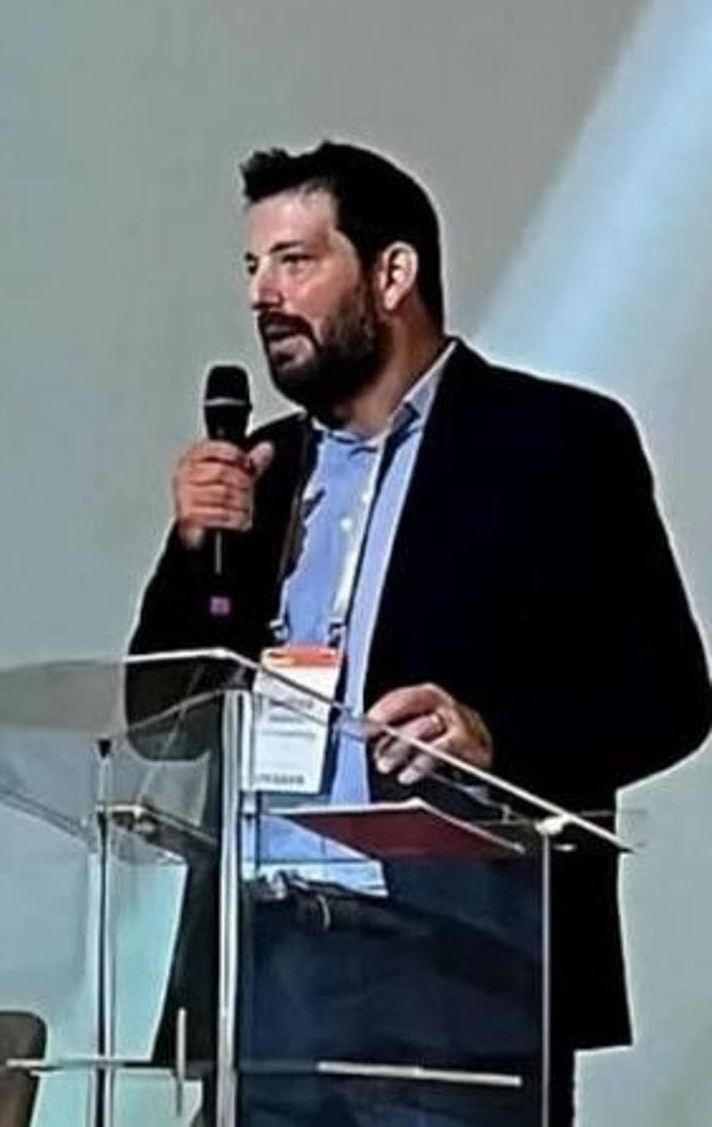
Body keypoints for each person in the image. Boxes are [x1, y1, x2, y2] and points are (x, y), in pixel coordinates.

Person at [129, 140, 712, 1125]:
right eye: (254, 266)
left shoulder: (554, 443)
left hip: (461, 968)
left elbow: (668, 700)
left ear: (392, 274)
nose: (264, 294)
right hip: (265, 972)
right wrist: (195, 548)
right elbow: (160, 719)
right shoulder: (259, 468)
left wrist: (494, 739)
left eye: (296, 261)